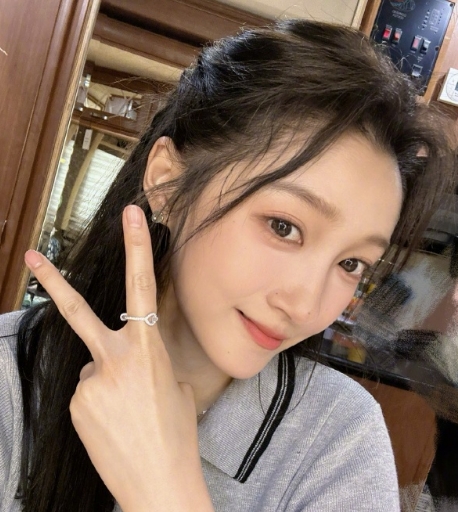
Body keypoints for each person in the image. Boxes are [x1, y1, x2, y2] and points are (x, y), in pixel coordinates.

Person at [0, 19, 454, 512]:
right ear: (167, 183)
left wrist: (164, 489)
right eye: (283, 226)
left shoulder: (339, 442)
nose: (306, 306)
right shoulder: (10, 378)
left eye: (351, 262)